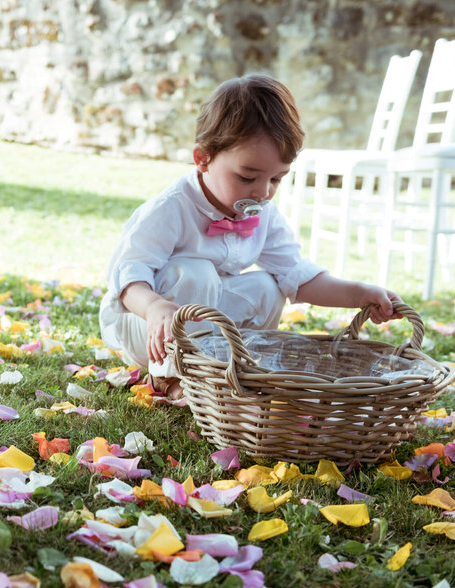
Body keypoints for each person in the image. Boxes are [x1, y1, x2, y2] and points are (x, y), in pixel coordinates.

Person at [99, 74, 400, 399]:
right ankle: (170, 378)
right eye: (247, 177)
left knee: (269, 287)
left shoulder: (263, 213)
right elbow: (127, 276)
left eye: (277, 179)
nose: (262, 192)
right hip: (148, 327)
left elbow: (297, 277)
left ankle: (233, 367)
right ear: (204, 159)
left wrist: (359, 294)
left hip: (202, 321)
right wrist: (155, 306)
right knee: (194, 272)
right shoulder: (170, 208)